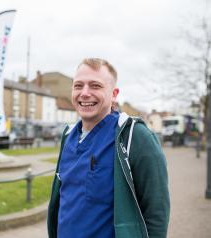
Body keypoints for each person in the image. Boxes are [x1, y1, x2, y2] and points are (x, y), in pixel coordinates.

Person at [47, 58, 170, 238]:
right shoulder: (68, 136)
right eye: (78, 86)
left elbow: (157, 212)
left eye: (95, 86)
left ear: (114, 94)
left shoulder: (136, 137)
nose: (85, 93)